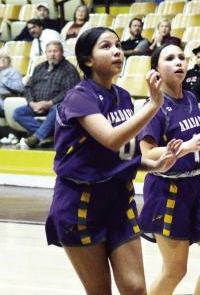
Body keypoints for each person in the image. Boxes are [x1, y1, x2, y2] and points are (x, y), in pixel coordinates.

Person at [45, 27, 181, 295]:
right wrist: (153, 106)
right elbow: (111, 139)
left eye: (118, 45)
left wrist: (153, 165)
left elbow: (123, 152)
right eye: (106, 46)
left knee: (135, 289)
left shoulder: (123, 96)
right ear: (87, 60)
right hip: (80, 203)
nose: (117, 51)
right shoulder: (79, 96)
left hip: (119, 200)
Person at [138, 43, 200, 295]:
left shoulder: (190, 97)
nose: (179, 62)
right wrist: (187, 148)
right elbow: (148, 154)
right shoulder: (154, 107)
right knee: (175, 271)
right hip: (167, 190)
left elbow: (195, 142)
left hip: (199, 186)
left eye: (181, 57)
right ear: (156, 69)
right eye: (170, 58)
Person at [14, 41, 80, 148]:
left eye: (55, 51)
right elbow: (28, 87)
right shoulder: (39, 68)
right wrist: (31, 103)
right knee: (18, 113)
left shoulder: (69, 69)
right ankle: (50, 135)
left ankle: (37, 137)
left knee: (57, 108)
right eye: (49, 51)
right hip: (36, 106)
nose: (52, 54)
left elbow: (70, 91)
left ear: (62, 53)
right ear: (46, 53)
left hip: (56, 107)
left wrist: (50, 103)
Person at [0, 49, 24, 117]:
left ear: (9, 61)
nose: (2, 60)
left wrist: (3, 78)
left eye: (4, 58)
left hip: (5, 101)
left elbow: (20, 88)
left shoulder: (13, 71)